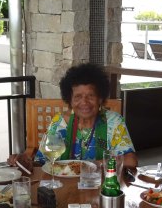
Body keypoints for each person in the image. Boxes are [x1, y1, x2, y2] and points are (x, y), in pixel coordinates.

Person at [9, 62, 138, 169]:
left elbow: (131, 160)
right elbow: (42, 162)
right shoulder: (60, 122)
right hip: (63, 185)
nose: (84, 102)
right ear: (70, 100)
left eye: (91, 96)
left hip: (101, 185)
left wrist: (92, 165)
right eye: (78, 97)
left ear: (100, 98)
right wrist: (25, 163)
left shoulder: (113, 121)